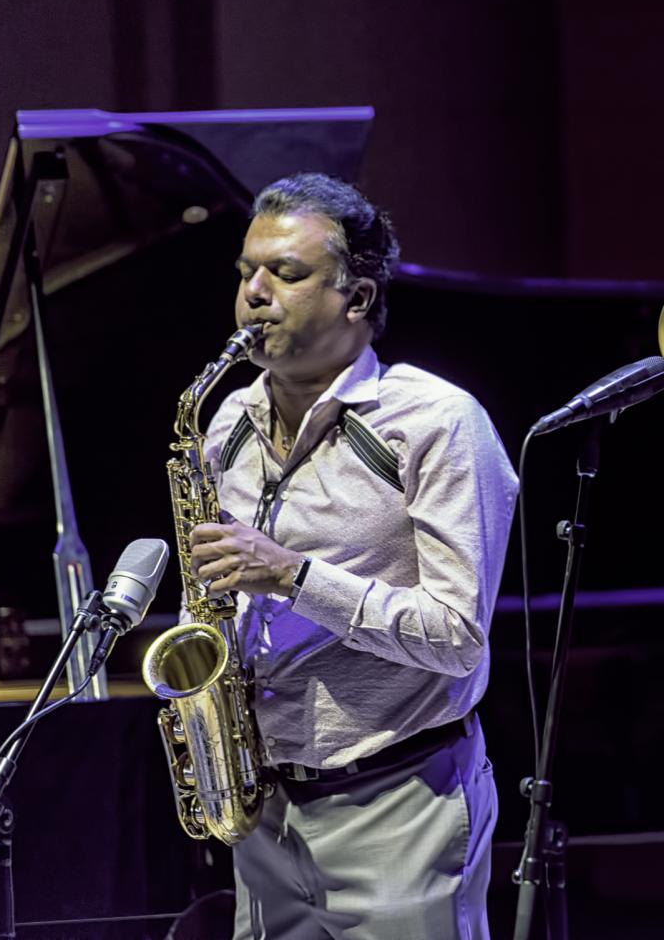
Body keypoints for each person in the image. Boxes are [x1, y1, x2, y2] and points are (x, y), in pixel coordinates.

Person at [186, 173, 518, 939]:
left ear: (358, 298)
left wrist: (293, 576)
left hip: (401, 805)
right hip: (265, 808)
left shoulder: (436, 423)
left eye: (287, 274)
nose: (255, 294)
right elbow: (214, 589)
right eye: (246, 274)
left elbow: (458, 638)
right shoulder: (225, 421)